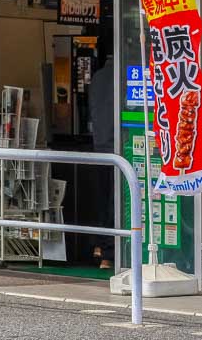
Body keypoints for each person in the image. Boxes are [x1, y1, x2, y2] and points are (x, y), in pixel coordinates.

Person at [87, 33, 115, 269]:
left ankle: (100, 246)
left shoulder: (97, 78)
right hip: (118, 149)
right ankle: (109, 252)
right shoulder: (122, 76)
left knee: (102, 200)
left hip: (99, 146)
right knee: (116, 202)